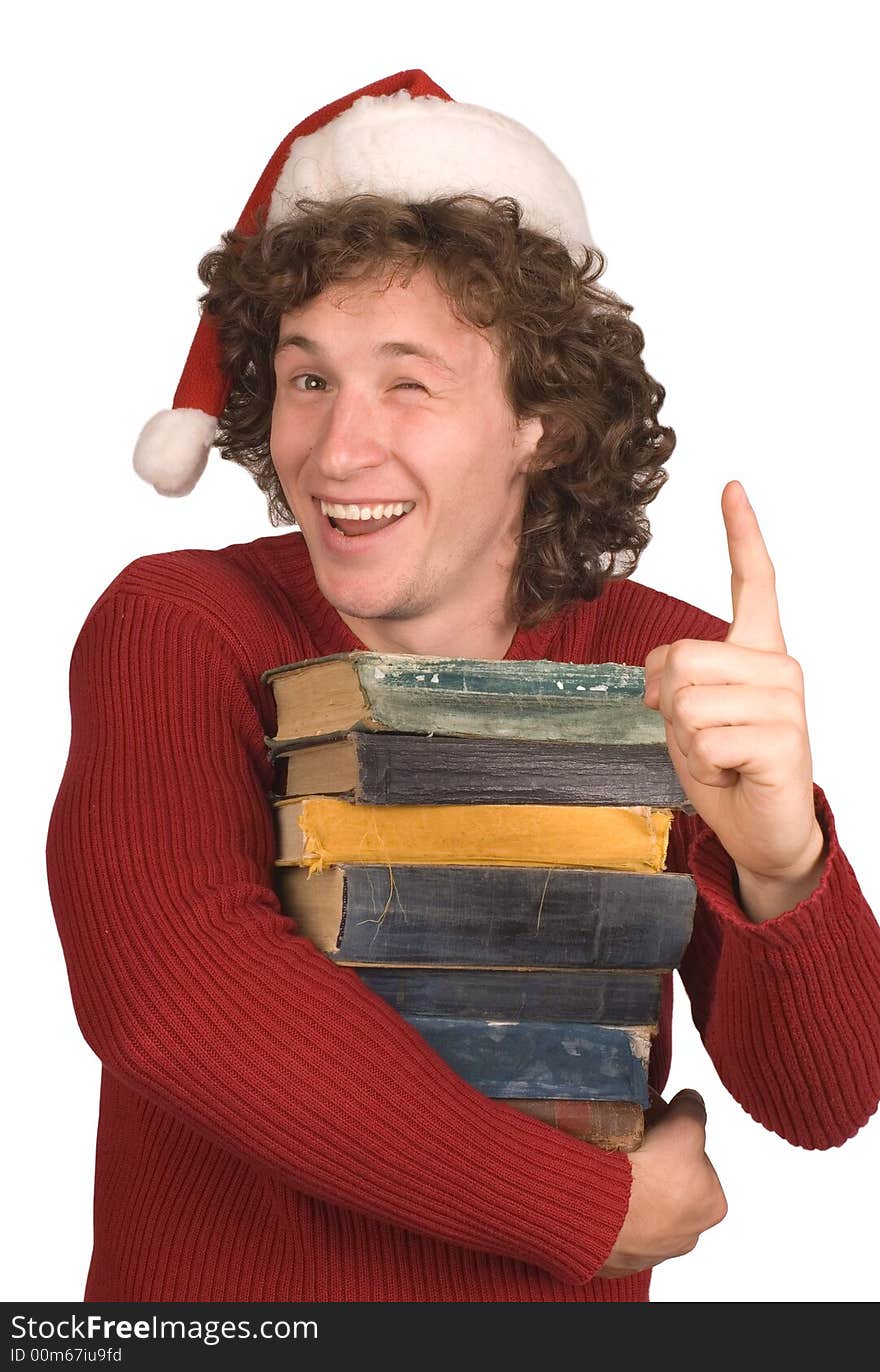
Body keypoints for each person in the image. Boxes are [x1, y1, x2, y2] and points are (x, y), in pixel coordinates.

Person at [45, 69, 880, 1303]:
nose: (337, 449)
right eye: (307, 376)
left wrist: (779, 863)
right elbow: (178, 1001)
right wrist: (587, 1207)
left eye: (409, 381)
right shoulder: (179, 625)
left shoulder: (670, 669)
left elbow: (821, 1101)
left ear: (539, 417)